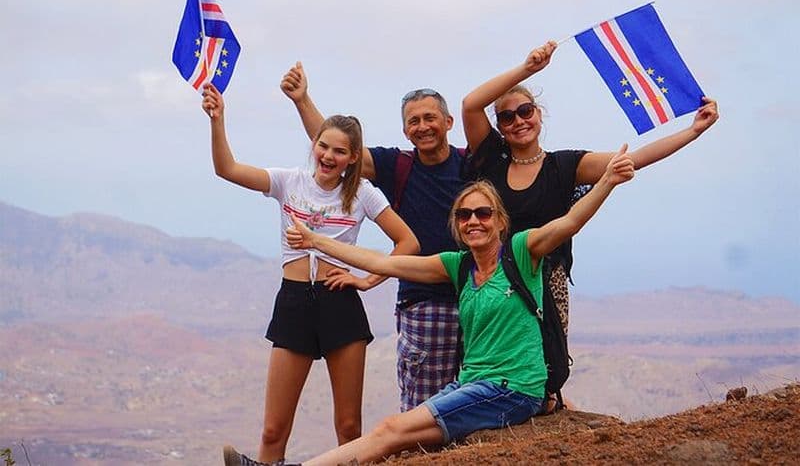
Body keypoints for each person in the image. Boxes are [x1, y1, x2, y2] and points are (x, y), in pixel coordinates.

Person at [223, 144, 635, 466]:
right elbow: (384, 263)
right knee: (395, 436)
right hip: (473, 384)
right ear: (457, 225)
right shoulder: (457, 266)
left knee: (391, 429)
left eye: (483, 213)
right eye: (465, 215)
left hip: (511, 389)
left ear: (499, 220)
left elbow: (569, 223)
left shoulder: (522, 251)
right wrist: (316, 241)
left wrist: (607, 182)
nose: (474, 221)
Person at [201, 83, 419, 466]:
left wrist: (367, 280)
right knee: (273, 430)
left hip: (340, 305)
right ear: (314, 145)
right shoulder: (289, 181)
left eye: (339, 151)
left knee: (349, 427)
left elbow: (408, 243)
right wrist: (217, 120)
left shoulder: (363, 193)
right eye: (323, 146)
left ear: (353, 157)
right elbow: (227, 169)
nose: (329, 156)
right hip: (294, 302)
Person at [461, 40, 719, 348]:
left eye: (525, 111)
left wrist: (693, 131)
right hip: (492, 279)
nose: (518, 121)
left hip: (545, 283)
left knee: (546, 364)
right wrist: (527, 69)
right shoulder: (491, 159)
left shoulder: (564, 166)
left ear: (539, 114)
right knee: (490, 360)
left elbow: (634, 159)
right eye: (507, 117)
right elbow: (471, 104)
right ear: (500, 127)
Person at [281, 62, 467, 411]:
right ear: (405, 130)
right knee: (423, 411)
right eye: (414, 121)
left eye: (430, 118)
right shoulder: (397, 165)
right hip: (423, 302)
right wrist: (302, 100)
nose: (423, 126)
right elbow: (337, 147)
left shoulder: (471, 164)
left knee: (479, 402)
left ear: (448, 122)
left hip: (476, 297)